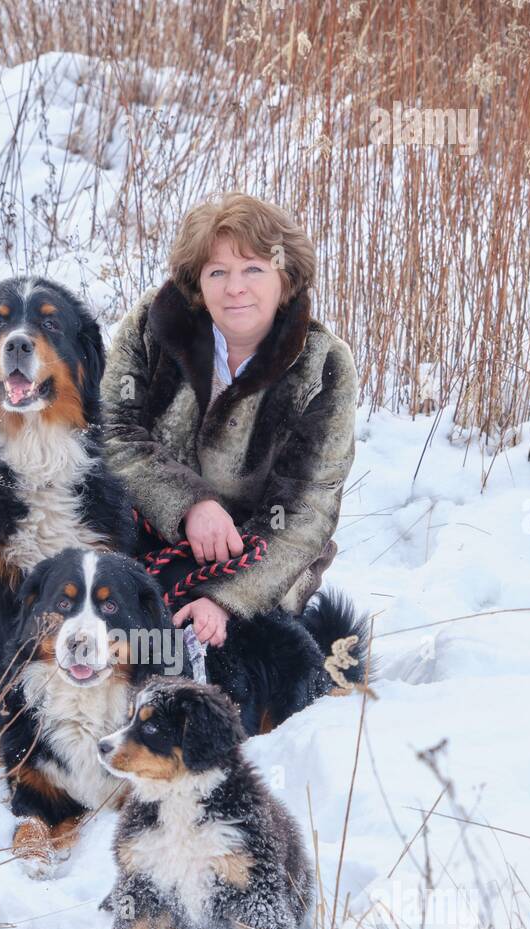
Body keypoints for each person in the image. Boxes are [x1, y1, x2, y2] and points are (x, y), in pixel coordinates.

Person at [99, 191, 358, 648]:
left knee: (209, 642)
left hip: (258, 554)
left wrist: (221, 597)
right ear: (198, 283)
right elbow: (111, 430)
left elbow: (306, 508)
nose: (234, 287)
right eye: (217, 272)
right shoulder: (153, 325)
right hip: (142, 529)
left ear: (286, 279)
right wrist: (189, 504)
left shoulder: (324, 365)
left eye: (254, 269)